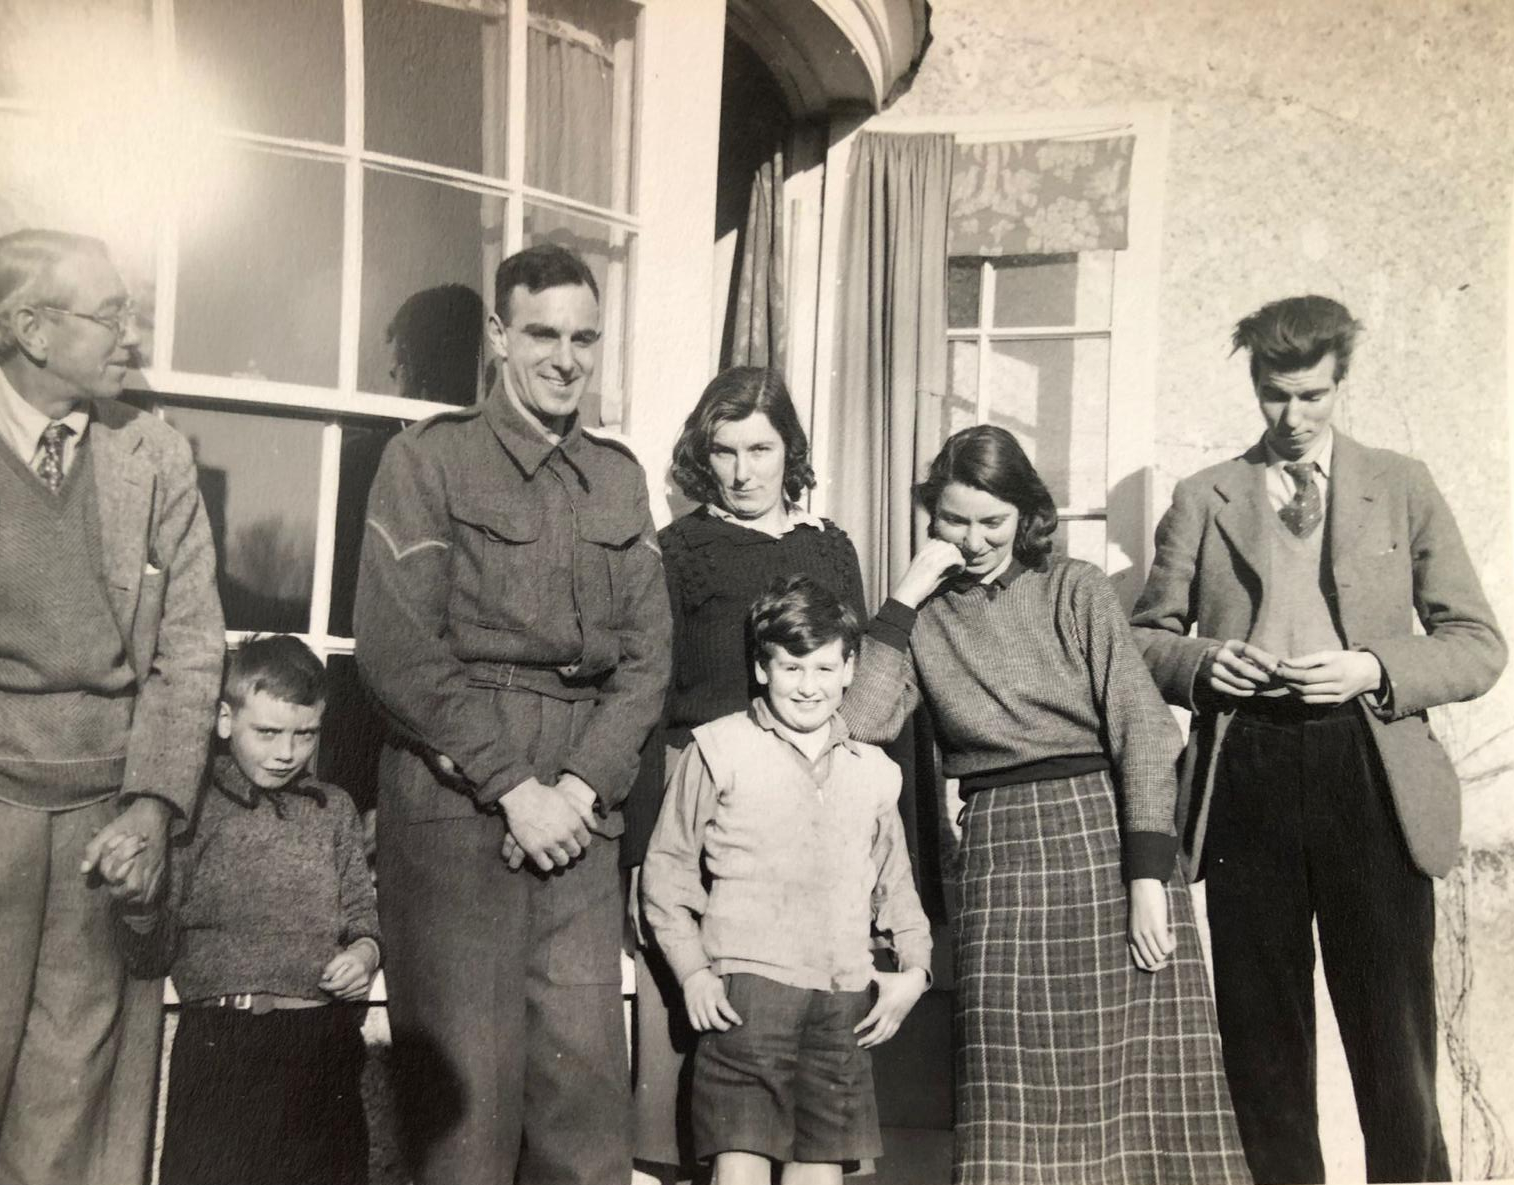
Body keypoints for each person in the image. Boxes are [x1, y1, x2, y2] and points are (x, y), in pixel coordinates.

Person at [1130, 295, 1506, 1185]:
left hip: (1367, 770)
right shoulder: (1203, 495)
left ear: (1340, 382)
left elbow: (1477, 644)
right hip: (1245, 772)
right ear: (1253, 385)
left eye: (1310, 396)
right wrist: (1199, 664)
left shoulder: (1400, 484)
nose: (1292, 419)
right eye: (1273, 396)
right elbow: (1142, 637)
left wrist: (1372, 668)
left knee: (1391, 1036)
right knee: (1261, 1039)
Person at [842, 425, 1249, 1185]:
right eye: (953, 521)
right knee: (1011, 1092)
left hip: (1109, 837)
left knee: (1148, 1098)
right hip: (1001, 849)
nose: (972, 541)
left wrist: (1147, 879)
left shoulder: (1076, 587)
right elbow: (862, 722)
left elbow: (1141, 729)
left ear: (1026, 514)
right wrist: (900, 598)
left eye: (991, 521)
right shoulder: (922, 619)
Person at [354, 242, 671, 1185]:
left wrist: (577, 785)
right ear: (500, 335)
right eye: (542, 334)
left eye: (585, 338)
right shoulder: (427, 460)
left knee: (583, 1114)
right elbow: (399, 651)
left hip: (582, 809)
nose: (566, 358)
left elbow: (648, 657)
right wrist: (514, 786)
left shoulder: (617, 477)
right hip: (458, 809)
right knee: (464, 1120)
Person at [0, 228, 225, 1185]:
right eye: (111, 313)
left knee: (67, 1103)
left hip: (105, 819)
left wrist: (155, 807)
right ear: (32, 329)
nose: (134, 335)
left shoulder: (154, 455)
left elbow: (192, 643)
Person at [624, 365, 867, 1178]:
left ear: (787, 450)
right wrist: (639, 851)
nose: (742, 470)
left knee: (802, 1048)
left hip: (804, 815)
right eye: (723, 451)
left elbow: (853, 698)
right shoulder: (680, 549)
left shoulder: (830, 547)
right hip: (701, 801)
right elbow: (648, 694)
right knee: (699, 1036)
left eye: (760, 448)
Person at [642, 575, 930, 1185]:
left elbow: (896, 888)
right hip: (747, 998)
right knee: (739, 1172)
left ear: (850, 669)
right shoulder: (717, 749)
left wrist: (915, 973)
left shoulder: (873, 772)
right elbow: (665, 878)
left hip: (844, 998)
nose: (809, 686)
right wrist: (692, 972)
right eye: (791, 667)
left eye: (825, 668)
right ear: (761, 666)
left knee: (819, 1176)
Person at [118, 635, 380, 1185]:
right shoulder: (191, 811)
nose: (286, 752)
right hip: (222, 1047)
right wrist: (138, 906)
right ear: (223, 718)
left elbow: (361, 915)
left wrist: (364, 954)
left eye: (305, 734)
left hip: (322, 1045)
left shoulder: (334, 811)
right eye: (267, 732)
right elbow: (152, 953)